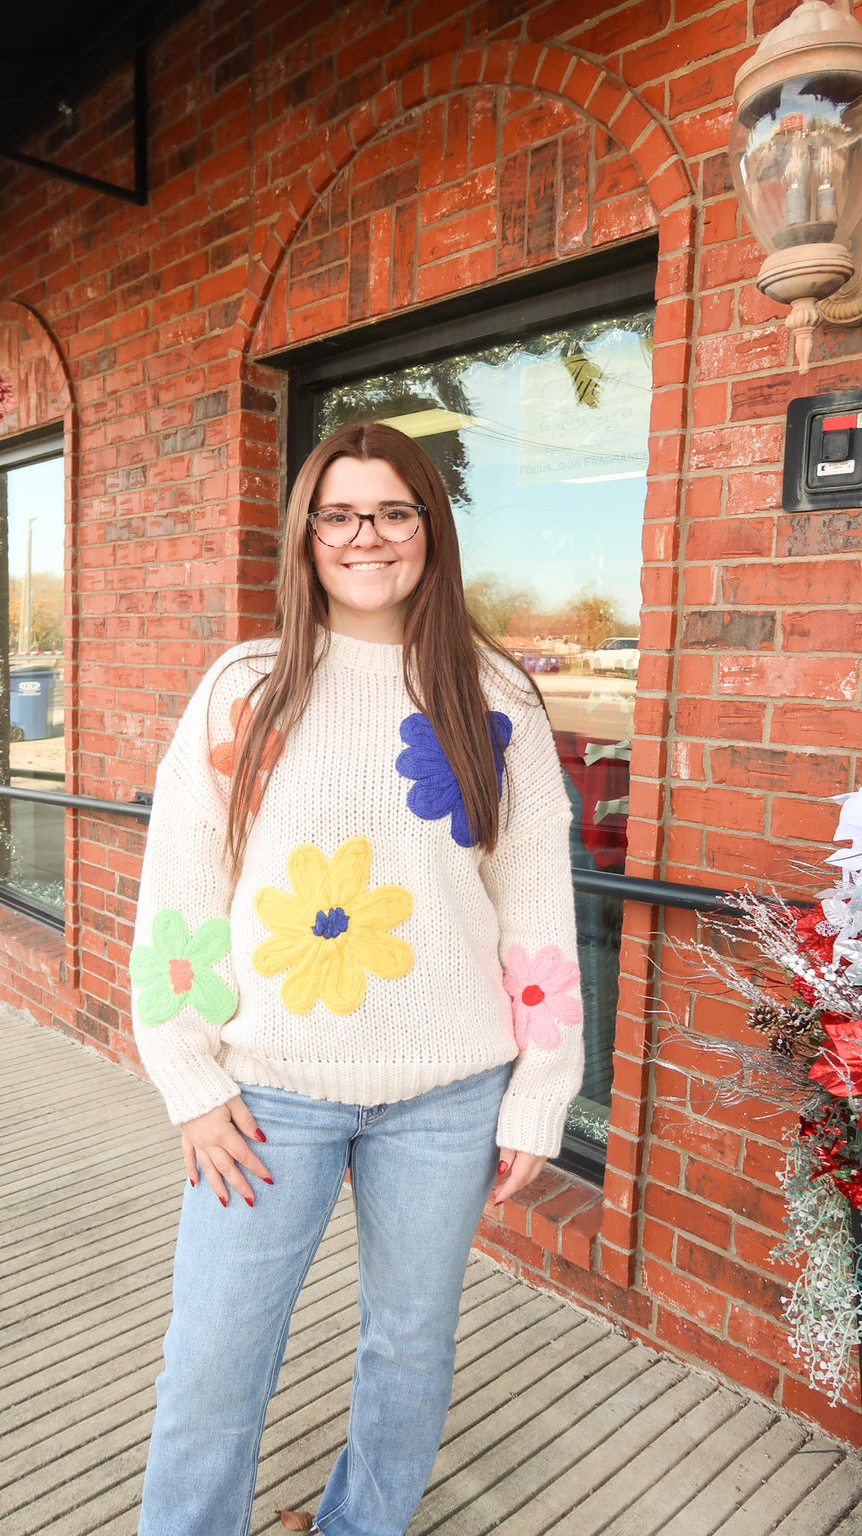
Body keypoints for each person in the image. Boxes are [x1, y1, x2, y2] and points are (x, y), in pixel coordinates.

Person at [128, 422, 583, 1536]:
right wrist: (186, 1072)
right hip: (265, 1092)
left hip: (447, 1094)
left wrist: (539, 1091)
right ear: (305, 534)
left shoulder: (497, 698)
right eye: (337, 513)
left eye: (391, 512)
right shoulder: (245, 688)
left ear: (430, 530)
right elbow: (181, 889)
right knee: (213, 1364)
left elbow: (535, 908)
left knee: (409, 1349)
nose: (364, 536)